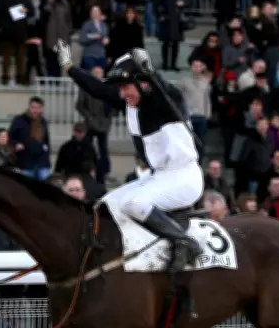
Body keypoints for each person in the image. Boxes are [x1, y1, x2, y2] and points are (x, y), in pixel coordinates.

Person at [54, 40, 203, 271]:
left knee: (135, 203)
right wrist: (69, 66)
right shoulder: (132, 102)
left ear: (143, 84)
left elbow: (163, 90)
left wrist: (150, 71)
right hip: (160, 177)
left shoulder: (167, 99)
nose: (122, 94)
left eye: (126, 87)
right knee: (103, 205)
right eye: (120, 88)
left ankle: (185, 243)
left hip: (184, 178)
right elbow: (97, 88)